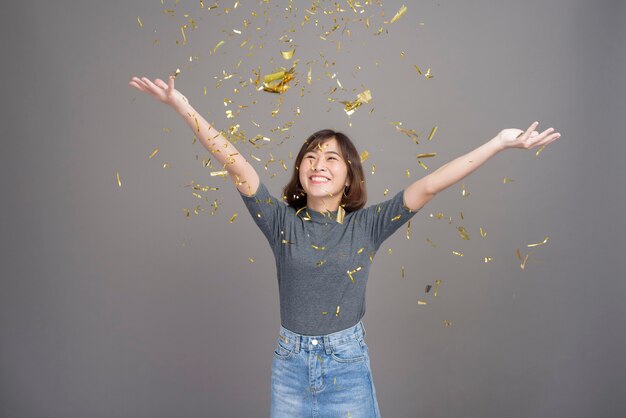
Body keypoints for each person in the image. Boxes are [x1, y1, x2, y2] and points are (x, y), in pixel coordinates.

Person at [129, 75, 561, 417]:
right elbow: (232, 160)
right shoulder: (280, 221)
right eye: (311, 156)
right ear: (300, 169)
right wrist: (180, 104)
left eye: (331, 157)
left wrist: (500, 143)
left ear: (349, 175)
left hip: (347, 367)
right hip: (291, 369)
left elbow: (431, 184)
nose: (319, 164)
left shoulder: (368, 226)